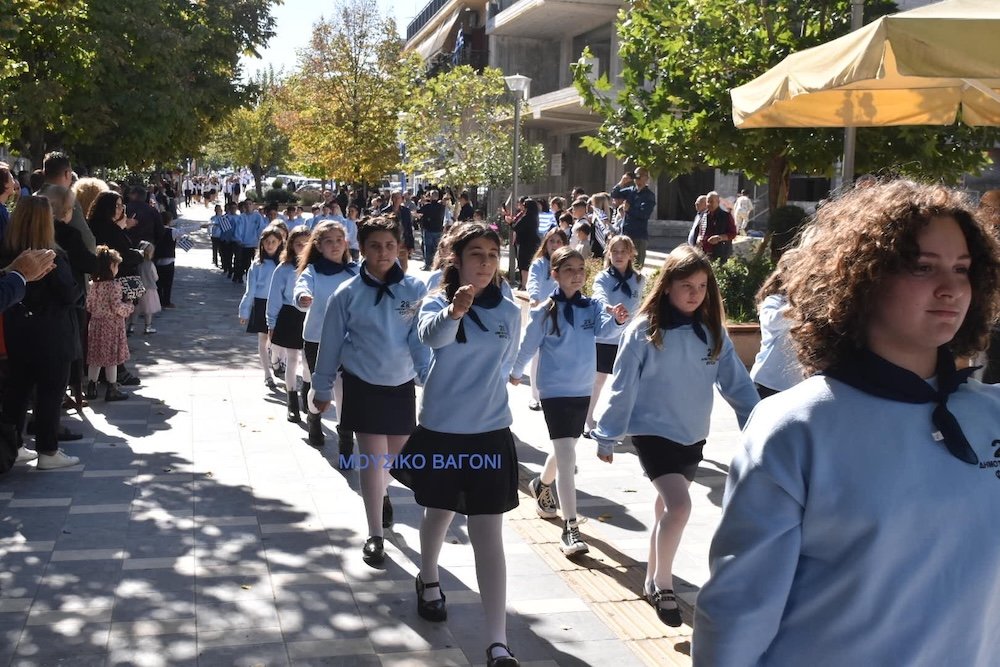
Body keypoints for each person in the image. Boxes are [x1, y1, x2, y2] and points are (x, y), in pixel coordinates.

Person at [692, 180, 1000, 666]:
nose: (951, 288)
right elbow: (737, 613)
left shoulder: (991, 413)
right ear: (863, 277)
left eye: (962, 269)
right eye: (922, 267)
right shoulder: (795, 427)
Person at [591, 244, 758, 628]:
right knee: (680, 507)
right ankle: (663, 586)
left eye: (702, 286)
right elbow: (622, 386)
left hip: (692, 436)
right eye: (686, 285)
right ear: (667, 285)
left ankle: (652, 575)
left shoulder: (712, 333)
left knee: (667, 507)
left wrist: (761, 425)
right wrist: (607, 434)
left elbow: (738, 385)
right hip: (652, 434)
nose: (695, 293)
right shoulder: (643, 331)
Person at [391, 223, 523, 667]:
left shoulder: (509, 311)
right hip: (443, 431)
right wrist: (455, 312)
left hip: (490, 432)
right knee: (439, 512)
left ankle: (498, 642)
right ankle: (428, 577)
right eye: (476, 254)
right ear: (457, 260)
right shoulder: (436, 301)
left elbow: (505, 363)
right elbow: (431, 338)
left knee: (489, 534)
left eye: (492, 254)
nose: (485, 263)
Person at [311, 217, 430, 568]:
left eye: (390, 245)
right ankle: (375, 533)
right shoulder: (346, 293)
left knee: (396, 461)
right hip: (362, 383)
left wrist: (429, 377)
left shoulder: (414, 289)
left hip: (400, 384)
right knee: (371, 460)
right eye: (375, 246)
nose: (383, 252)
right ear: (361, 249)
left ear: (399, 248)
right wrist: (321, 387)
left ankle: (382, 492)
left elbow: (419, 339)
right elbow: (330, 343)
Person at [510, 247, 628, 556]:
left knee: (566, 449)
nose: (576, 275)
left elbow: (604, 331)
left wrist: (617, 321)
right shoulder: (544, 311)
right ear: (555, 274)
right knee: (567, 457)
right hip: (554, 391)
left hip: (582, 389)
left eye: (580, 269)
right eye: (568, 270)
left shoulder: (592, 307)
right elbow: (528, 344)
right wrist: (516, 372)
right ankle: (571, 527)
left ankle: (541, 484)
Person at [0, 197, 82, 469]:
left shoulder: (8, 253)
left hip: (17, 329)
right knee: (50, 390)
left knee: (18, 389)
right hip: (51, 333)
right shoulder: (51, 255)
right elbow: (68, 294)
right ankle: (48, 450)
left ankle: (12, 445)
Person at [293, 221, 358, 448]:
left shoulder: (355, 271)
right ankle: (314, 418)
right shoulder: (313, 271)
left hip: (350, 340)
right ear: (319, 246)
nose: (335, 245)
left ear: (346, 243)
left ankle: (346, 437)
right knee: (320, 386)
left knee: (345, 391)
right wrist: (302, 298)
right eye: (329, 241)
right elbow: (301, 287)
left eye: (339, 240)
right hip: (317, 339)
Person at [585, 236, 643, 436]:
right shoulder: (603, 277)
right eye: (615, 251)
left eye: (623, 251)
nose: (619, 255)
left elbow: (639, 305)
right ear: (608, 254)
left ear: (631, 254)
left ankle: (623, 421)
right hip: (606, 336)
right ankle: (588, 418)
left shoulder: (639, 279)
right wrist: (610, 309)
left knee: (627, 383)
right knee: (598, 380)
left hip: (628, 338)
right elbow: (598, 297)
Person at [266, 226, 311, 423]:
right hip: (290, 315)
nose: (302, 247)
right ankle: (292, 402)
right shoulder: (283, 269)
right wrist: (271, 323)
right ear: (291, 245)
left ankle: (307, 397)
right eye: (298, 244)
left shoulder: (316, 267)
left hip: (312, 317)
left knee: (309, 362)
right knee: (292, 359)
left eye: (306, 244)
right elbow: (274, 298)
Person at [524, 228, 570, 410]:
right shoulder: (539, 264)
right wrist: (535, 298)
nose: (555, 245)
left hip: (561, 315)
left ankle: (555, 393)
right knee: (536, 356)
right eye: (552, 241)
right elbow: (533, 282)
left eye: (559, 242)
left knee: (558, 355)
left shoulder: (567, 264)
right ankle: (535, 396)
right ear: (546, 243)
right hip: (541, 314)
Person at [748, 253, 802, 398]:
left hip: (796, 386)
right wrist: (798, 306)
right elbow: (771, 321)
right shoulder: (775, 300)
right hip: (767, 383)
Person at [85, 246, 133, 401]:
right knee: (111, 357)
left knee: (95, 357)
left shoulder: (93, 285)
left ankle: (91, 387)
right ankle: (112, 388)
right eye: (116, 265)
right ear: (111, 266)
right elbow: (117, 307)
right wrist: (129, 306)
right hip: (111, 326)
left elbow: (89, 306)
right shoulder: (114, 285)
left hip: (95, 325)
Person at [238, 227, 283, 390]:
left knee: (278, 340)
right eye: (267, 242)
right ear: (262, 244)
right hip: (261, 304)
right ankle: (267, 374)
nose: (270, 245)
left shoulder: (284, 264)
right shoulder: (257, 264)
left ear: (280, 243)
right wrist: (244, 310)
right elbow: (250, 290)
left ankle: (277, 361)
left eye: (273, 242)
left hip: (280, 305)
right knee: (263, 340)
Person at [611, 168, 656, 268]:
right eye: (636, 177)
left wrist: (629, 209)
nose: (638, 179)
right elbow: (614, 194)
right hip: (625, 233)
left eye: (640, 176)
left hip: (638, 235)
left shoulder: (649, 195)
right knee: (622, 265)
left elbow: (644, 214)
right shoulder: (631, 191)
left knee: (636, 265)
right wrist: (622, 182)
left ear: (646, 178)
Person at [692, 191, 737, 263]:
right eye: (708, 202)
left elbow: (733, 233)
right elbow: (699, 230)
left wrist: (719, 238)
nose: (709, 204)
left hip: (720, 253)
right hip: (704, 253)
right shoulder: (704, 215)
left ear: (718, 202)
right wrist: (699, 238)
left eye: (712, 202)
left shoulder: (725, 216)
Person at [132, 242, 161, 335]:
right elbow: (155, 277)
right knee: (149, 310)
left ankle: (131, 326)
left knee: (136, 309)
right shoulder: (150, 264)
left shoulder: (137, 264)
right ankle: (148, 327)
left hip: (138, 288)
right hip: (149, 289)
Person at [511, 199, 540, 289]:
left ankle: (524, 285)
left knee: (524, 264)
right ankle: (525, 284)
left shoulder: (526, 217)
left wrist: (510, 222)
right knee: (528, 263)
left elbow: (516, 227)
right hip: (533, 243)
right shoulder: (535, 217)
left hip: (525, 243)